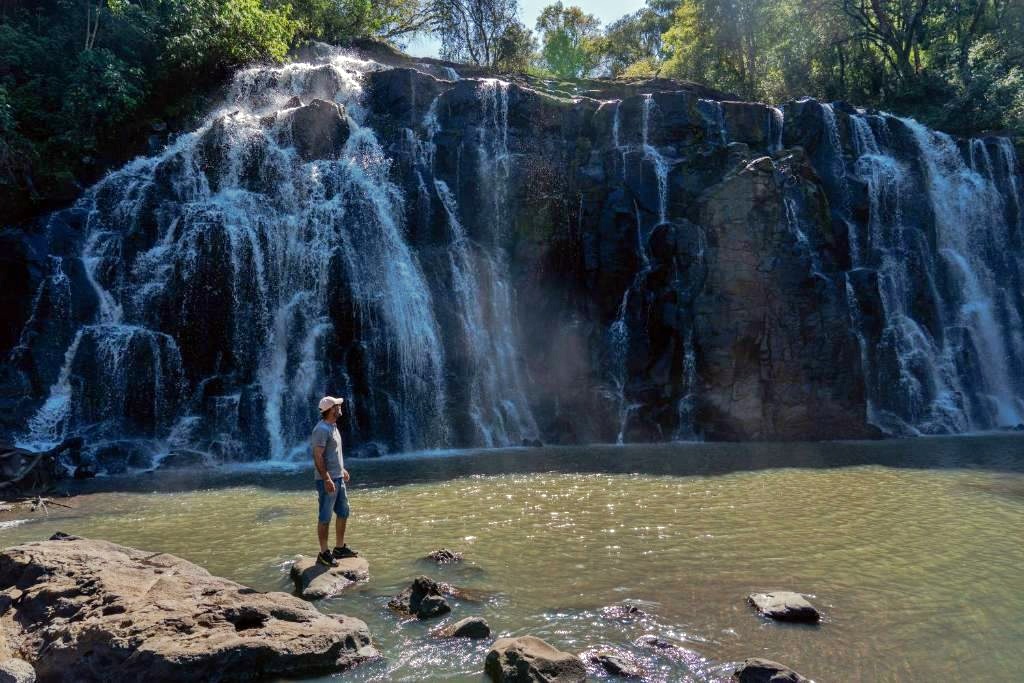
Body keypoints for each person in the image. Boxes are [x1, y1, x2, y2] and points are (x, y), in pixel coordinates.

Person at [311, 395, 358, 567]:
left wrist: (342, 470)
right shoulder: (321, 429)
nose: (340, 407)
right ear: (331, 410)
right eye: (337, 405)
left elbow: (333, 453)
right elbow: (317, 456)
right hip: (328, 480)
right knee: (325, 516)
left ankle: (339, 548)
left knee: (344, 511)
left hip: (338, 477)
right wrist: (327, 478)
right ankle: (323, 553)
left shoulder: (333, 426)